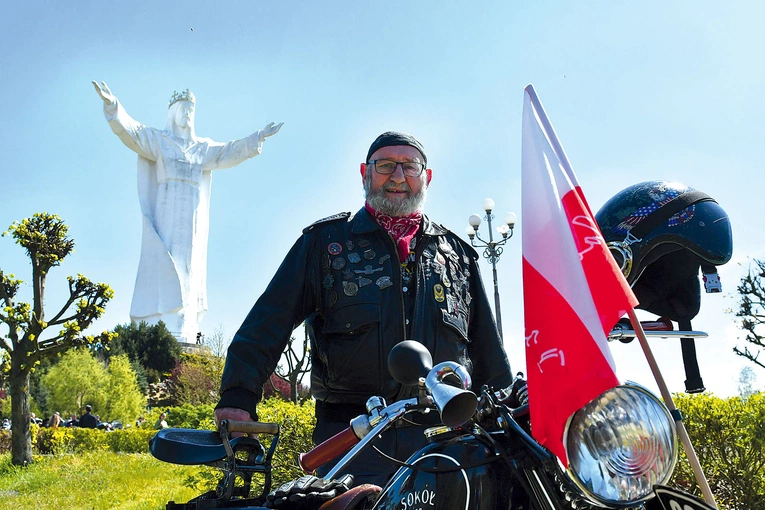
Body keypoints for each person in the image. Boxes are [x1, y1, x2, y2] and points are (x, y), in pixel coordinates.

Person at [215, 132, 514, 488]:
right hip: (352, 440)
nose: (398, 176)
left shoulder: (458, 256)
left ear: (427, 177)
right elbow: (267, 323)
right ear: (365, 173)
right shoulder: (324, 244)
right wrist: (238, 396)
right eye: (386, 165)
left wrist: (511, 418)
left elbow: (488, 355)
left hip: (447, 440)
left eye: (410, 166)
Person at [92, 81, 283, 343]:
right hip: (166, 212)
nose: (187, 115)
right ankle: (159, 324)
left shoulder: (201, 148)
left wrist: (257, 137)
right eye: (183, 109)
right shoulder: (159, 140)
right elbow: (133, 132)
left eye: (191, 111)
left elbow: (228, 151)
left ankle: (184, 327)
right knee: (163, 262)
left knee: (189, 270)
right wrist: (114, 107)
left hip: (192, 219)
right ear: (172, 112)